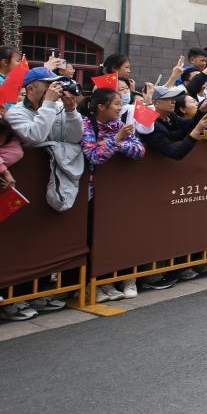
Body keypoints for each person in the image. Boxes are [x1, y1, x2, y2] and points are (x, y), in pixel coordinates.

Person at [80, 88, 146, 301]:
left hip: (117, 194)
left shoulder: (119, 125)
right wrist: (117, 139)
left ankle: (109, 283)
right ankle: (93, 286)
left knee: (113, 237)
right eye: (116, 104)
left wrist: (115, 143)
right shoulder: (86, 124)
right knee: (91, 238)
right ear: (101, 106)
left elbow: (139, 151)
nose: (120, 108)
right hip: (91, 193)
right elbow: (93, 156)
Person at [6, 68, 85, 212]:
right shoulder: (15, 113)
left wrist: (71, 111)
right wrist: (48, 104)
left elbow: (75, 138)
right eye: (48, 85)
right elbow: (36, 137)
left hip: (60, 178)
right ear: (30, 89)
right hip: (30, 182)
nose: (54, 90)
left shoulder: (59, 107)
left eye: (55, 85)